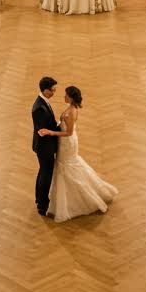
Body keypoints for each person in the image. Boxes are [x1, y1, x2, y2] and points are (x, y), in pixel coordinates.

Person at [39, 85, 118, 222]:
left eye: (66, 95)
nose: (64, 97)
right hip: (66, 142)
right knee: (67, 166)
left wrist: (51, 132)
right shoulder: (71, 109)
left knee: (67, 167)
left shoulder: (71, 112)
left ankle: (84, 198)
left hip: (67, 142)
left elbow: (68, 132)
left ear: (70, 97)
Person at [31, 75, 59, 217]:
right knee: (46, 174)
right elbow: (42, 131)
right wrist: (59, 130)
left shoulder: (44, 102)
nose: (54, 93)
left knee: (43, 172)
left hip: (45, 146)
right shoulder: (39, 108)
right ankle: (42, 205)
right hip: (44, 146)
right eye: (52, 90)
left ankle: (39, 199)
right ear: (45, 90)